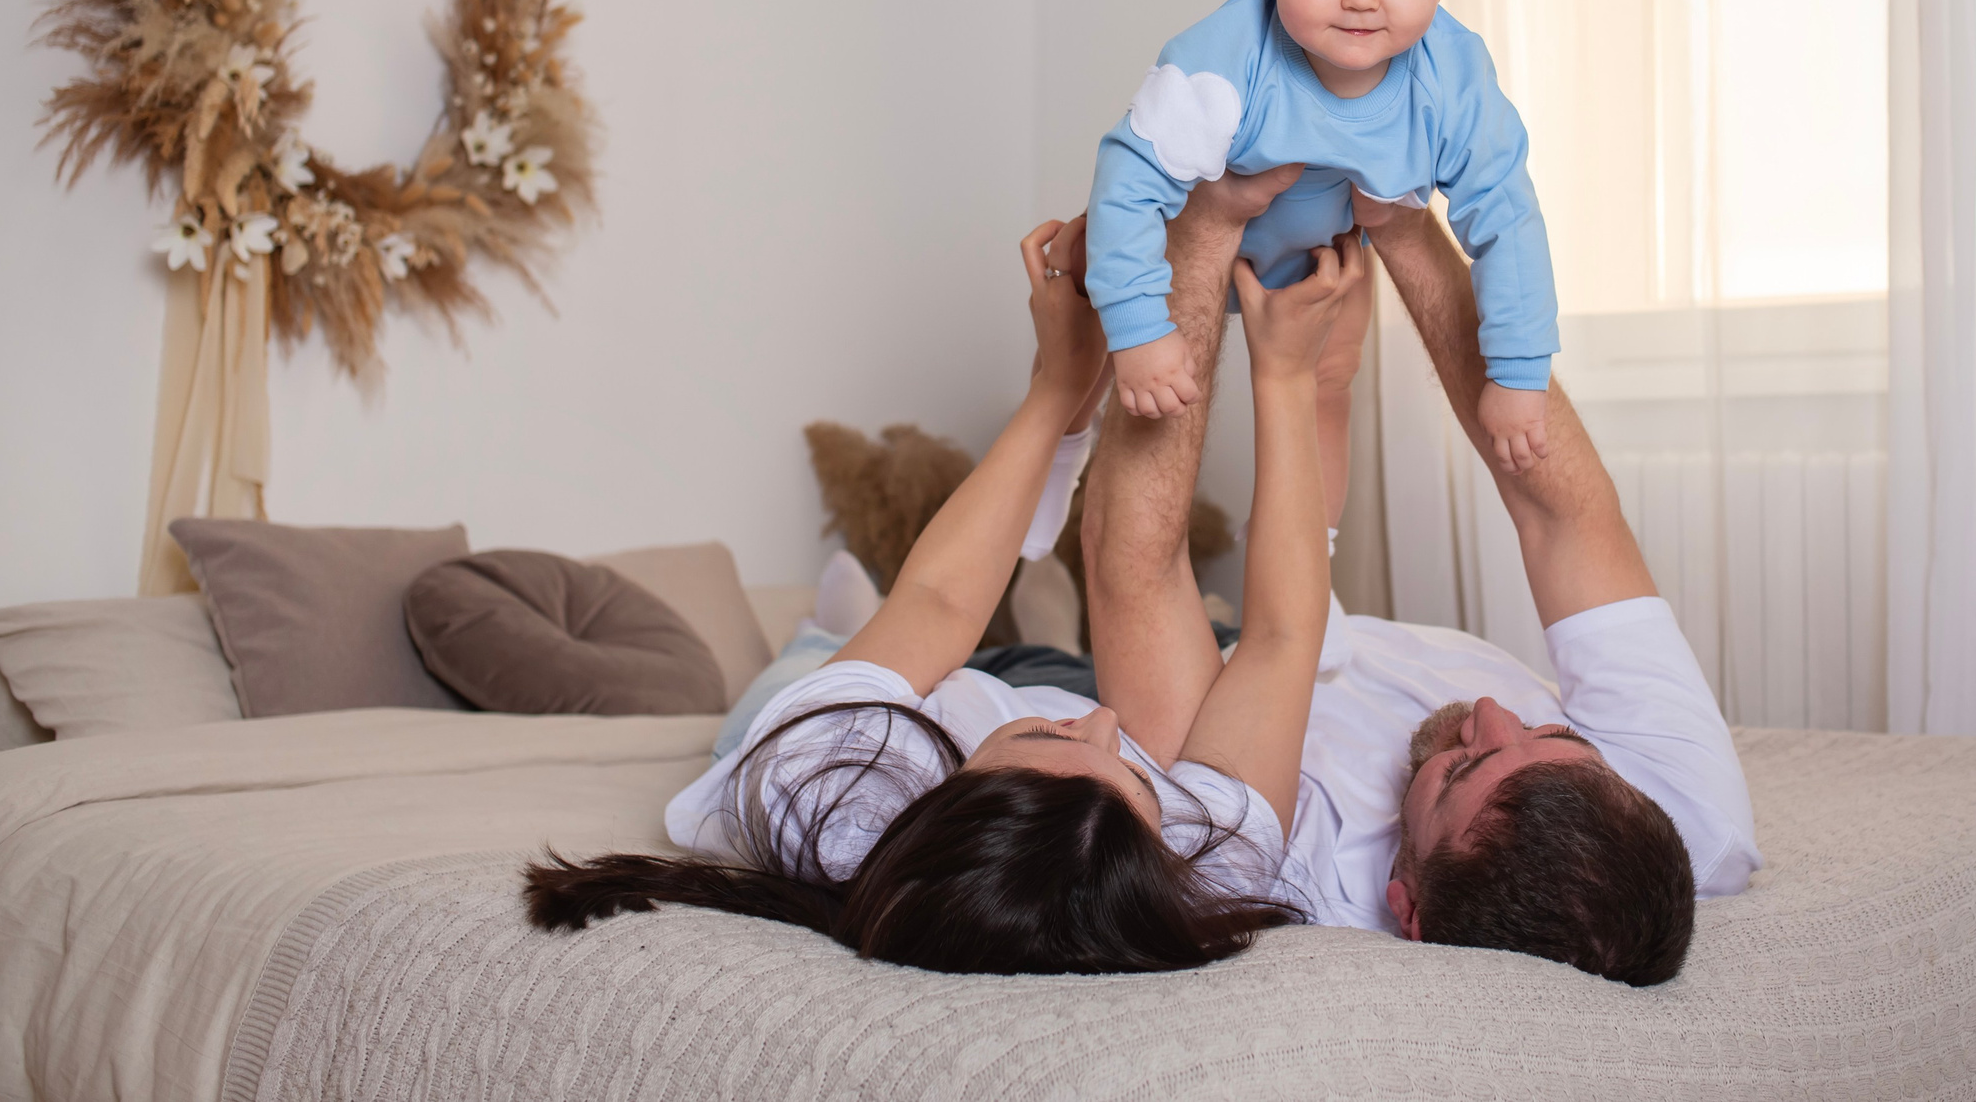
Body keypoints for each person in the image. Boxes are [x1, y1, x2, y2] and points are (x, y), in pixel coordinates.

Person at [523, 211, 1371, 976]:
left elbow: (934, 600)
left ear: (942, 790)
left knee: (843, 657)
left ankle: (826, 637)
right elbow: (1280, 642)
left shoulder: (824, 780)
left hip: (849, 715)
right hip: (1008, 695)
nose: (1111, 725)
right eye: (1140, 782)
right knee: (1084, 684)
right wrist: (1290, 380)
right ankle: (933, 661)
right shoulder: (1206, 863)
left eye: (1056, 738)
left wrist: (1058, 385)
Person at [1078, 181, 1760, 988]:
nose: (1496, 715)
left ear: (1407, 908)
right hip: (1299, 624)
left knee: (1045, 658)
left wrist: (1199, 241)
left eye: (1461, 769)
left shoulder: (1270, 867)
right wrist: (1400, 216)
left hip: (1195, 684)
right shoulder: (1692, 813)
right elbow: (1566, 516)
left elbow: (1134, 568)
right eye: (1555, 739)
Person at [1084, 0, 1558, 477]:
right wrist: (1135, 327)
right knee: (1095, 349)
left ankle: (1314, 559)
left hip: (1315, 259)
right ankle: (1062, 440)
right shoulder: (1223, 59)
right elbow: (1127, 181)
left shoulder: (1453, 81)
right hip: (1181, 250)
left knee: (1329, 388)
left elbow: (1506, 215)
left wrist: (1519, 371)